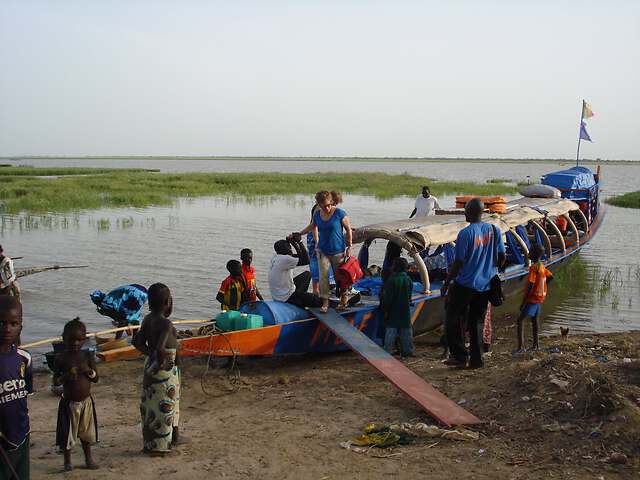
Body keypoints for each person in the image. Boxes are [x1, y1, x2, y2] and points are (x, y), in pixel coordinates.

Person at [441, 198, 506, 369]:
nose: (464, 213)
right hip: (485, 285)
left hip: (465, 284)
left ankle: (460, 355)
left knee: (451, 319)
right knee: (475, 321)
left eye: (465, 211)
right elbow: (502, 256)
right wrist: (492, 268)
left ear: (470, 213)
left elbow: (458, 262)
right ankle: (477, 360)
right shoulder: (494, 230)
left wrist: (447, 282)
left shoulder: (466, 233)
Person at [133, 283, 182, 454]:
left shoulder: (147, 319)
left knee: (151, 406)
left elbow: (137, 342)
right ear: (168, 302)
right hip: (164, 370)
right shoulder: (166, 324)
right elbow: (162, 348)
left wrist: (151, 355)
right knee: (166, 406)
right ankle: (161, 446)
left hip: (151, 367)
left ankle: (151, 443)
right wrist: (160, 359)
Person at [53, 318, 99, 471]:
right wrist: (66, 376)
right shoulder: (60, 358)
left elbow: (96, 378)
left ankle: (88, 459)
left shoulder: (87, 357)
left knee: (86, 434)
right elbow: (56, 382)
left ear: (84, 339)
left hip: (86, 402)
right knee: (67, 435)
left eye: (79, 340)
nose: (75, 343)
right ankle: (67, 462)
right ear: (63, 339)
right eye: (71, 340)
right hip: (69, 403)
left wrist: (87, 371)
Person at [304, 191, 353, 313]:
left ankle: (343, 300)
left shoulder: (339, 213)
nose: (327, 207)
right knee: (323, 277)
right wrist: (301, 234)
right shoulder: (317, 215)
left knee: (339, 277)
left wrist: (349, 246)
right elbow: (312, 227)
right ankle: (325, 302)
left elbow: (348, 229)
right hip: (323, 251)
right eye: (324, 205)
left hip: (338, 251)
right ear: (319, 204)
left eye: (328, 204)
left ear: (331, 202)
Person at [0, 295, 32, 480]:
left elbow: (24, 395)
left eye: (13, 323)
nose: (7, 329)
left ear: (21, 326)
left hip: (22, 432)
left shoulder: (24, 358)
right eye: (1, 322)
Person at [515, 244, 553, 352]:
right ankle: (536, 345)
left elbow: (531, 284)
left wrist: (523, 302)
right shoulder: (542, 266)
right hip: (539, 298)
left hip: (531, 299)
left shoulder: (534, 268)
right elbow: (550, 277)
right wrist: (542, 287)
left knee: (520, 320)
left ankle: (520, 347)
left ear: (534, 254)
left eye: (530, 252)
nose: (528, 253)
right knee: (535, 321)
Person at [268, 233, 323, 309]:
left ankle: (301, 297)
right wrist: (299, 242)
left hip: (279, 294)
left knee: (307, 274)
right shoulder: (285, 260)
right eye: (289, 247)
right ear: (284, 250)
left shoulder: (276, 257)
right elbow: (306, 260)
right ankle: (299, 301)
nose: (290, 249)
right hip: (286, 297)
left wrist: (294, 243)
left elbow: (300, 256)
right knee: (319, 301)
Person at [382, 258, 415, 358]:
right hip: (405, 311)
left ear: (395, 267)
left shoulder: (392, 280)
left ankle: (387, 351)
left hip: (393, 311)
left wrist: (385, 309)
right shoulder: (408, 280)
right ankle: (408, 351)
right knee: (406, 333)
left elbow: (388, 298)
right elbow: (409, 296)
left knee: (390, 333)